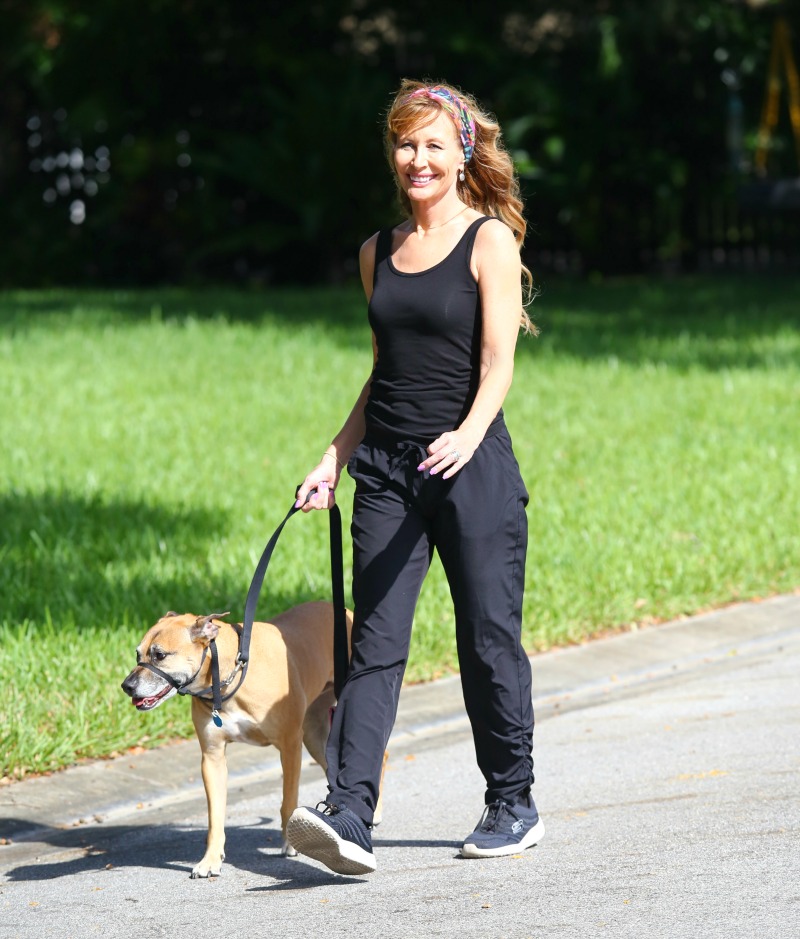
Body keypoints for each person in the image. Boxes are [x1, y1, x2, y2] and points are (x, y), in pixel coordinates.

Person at [286, 79, 543, 876]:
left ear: (463, 151)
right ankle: (351, 812)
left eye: (434, 144)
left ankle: (513, 801)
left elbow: (498, 362)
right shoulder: (378, 251)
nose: (418, 159)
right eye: (406, 144)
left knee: (487, 638)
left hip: (470, 468)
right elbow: (382, 373)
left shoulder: (489, 241)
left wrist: (467, 435)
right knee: (374, 647)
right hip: (389, 472)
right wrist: (335, 454)